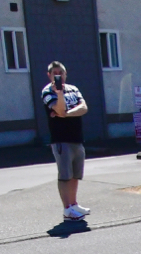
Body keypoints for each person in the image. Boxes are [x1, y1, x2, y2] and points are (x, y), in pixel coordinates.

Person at [41, 61, 90, 221]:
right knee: (65, 175)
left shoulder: (74, 89)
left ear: (65, 74)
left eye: (61, 72)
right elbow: (59, 109)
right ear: (49, 75)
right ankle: (67, 208)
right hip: (61, 139)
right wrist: (60, 94)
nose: (58, 76)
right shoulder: (48, 91)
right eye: (55, 73)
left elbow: (83, 108)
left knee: (76, 174)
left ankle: (74, 204)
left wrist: (66, 114)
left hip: (77, 137)